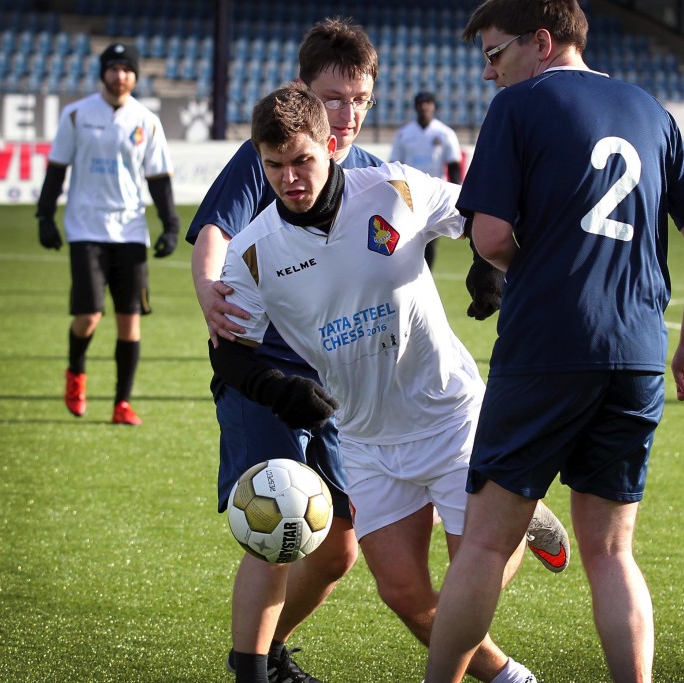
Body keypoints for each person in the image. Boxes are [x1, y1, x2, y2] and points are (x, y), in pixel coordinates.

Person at [209, 81, 568, 683]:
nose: (290, 178)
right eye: (274, 166)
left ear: (330, 145)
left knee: (468, 573)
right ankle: (508, 670)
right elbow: (229, 354)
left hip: (451, 417)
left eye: (302, 160)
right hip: (368, 441)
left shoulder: (395, 187)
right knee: (404, 594)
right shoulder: (252, 252)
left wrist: (487, 267)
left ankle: (513, 520)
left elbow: (482, 212)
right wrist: (280, 390)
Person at [425, 2, 684, 682]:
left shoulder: (520, 108)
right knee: (612, 553)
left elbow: (492, 236)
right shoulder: (652, 110)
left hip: (547, 347)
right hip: (638, 353)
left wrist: (536, 266)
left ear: (540, 42)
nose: (491, 74)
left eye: (496, 56)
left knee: (486, 543)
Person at [186, 17, 380, 683]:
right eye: (333, 98)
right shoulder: (271, 154)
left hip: (337, 388)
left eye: (359, 100)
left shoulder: (376, 174)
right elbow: (216, 226)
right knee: (281, 526)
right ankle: (251, 671)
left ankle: (267, 652)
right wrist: (210, 289)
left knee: (337, 549)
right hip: (260, 374)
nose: (346, 114)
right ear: (303, 93)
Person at [36, 42, 179, 427]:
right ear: (103, 73)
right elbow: (56, 168)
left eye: (127, 69)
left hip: (131, 231)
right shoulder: (76, 115)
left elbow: (159, 178)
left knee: (129, 320)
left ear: (135, 75)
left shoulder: (146, 120)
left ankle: (121, 403)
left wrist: (170, 225)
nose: (121, 76)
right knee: (89, 316)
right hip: (86, 228)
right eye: (114, 68)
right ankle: (75, 373)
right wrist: (45, 216)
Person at [388, 91, 463, 269]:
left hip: (435, 193)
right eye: (420, 103)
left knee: (429, 237)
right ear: (415, 107)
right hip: (409, 192)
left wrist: (457, 194)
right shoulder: (404, 134)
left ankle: (425, 272)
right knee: (406, 235)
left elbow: (453, 165)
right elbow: (394, 165)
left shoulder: (445, 133)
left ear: (433, 106)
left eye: (428, 102)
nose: (424, 106)